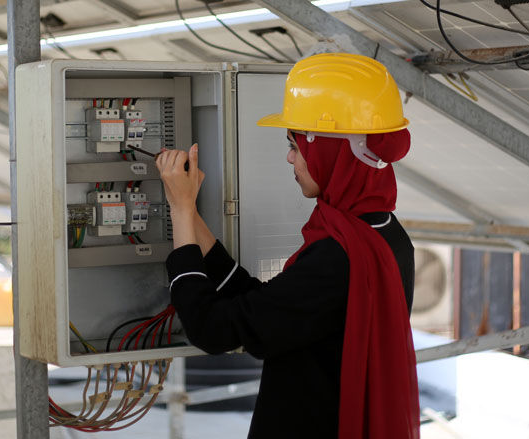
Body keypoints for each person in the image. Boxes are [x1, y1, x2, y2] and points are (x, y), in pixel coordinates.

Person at [155, 53, 420, 439]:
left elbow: (213, 329)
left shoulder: (338, 257)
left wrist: (179, 212)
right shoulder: (382, 235)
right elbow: (268, 307)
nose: (290, 157)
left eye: (296, 145)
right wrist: (192, 213)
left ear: (329, 151)